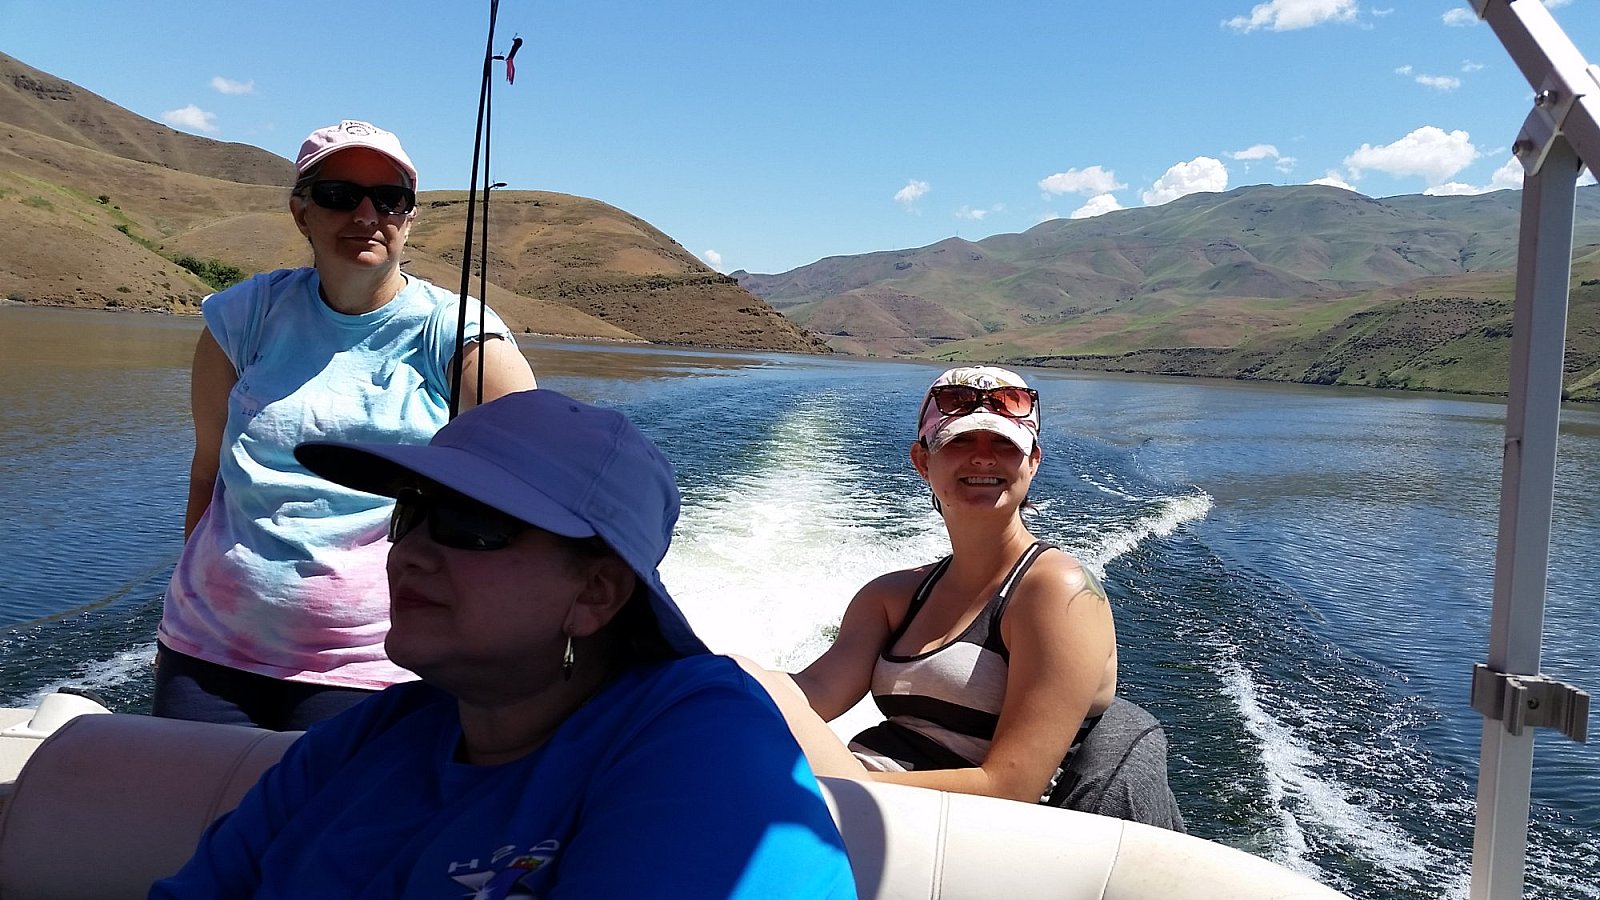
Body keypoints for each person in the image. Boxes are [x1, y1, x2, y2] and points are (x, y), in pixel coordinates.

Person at [151, 390, 857, 899]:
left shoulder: (703, 743)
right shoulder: (365, 740)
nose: (409, 553)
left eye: (469, 524)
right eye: (410, 515)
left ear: (596, 593)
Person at [154, 119, 537, 730]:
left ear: (409, 218)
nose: (366, 214)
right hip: (207, 648)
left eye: (389, 199)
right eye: (338, 195)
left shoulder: (459, 338)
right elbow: (208, 473)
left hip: (378, 665)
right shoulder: (244, 317)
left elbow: (536, 494)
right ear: (301, 213)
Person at [740, 366, 1181, 827]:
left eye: (1005, 446)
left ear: (1032, 462)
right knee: (741, 680)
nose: (983, 458)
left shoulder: (1056, 591)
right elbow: (811, 695)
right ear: (922, 461)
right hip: (853, 805)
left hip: (932, 831)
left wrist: (842, 785)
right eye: (960, 441)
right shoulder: (891, 597)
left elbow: (1011, 787)